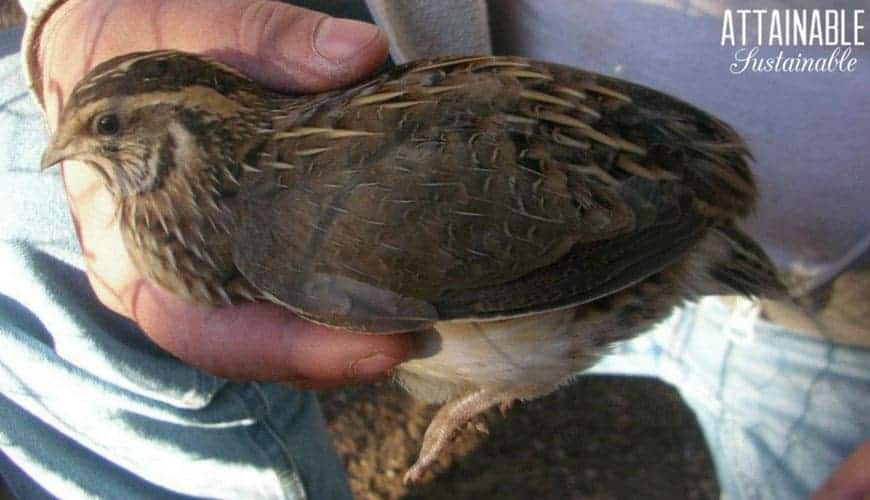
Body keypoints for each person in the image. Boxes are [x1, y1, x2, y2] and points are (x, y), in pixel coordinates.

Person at [0, 1, 866, 498]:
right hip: (603, 199)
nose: (69, 145)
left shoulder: (297, 231)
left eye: (107, 129)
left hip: (761, 265)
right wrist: (72, 8)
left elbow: (637, 221)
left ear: (179, 136)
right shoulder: (269, 212)